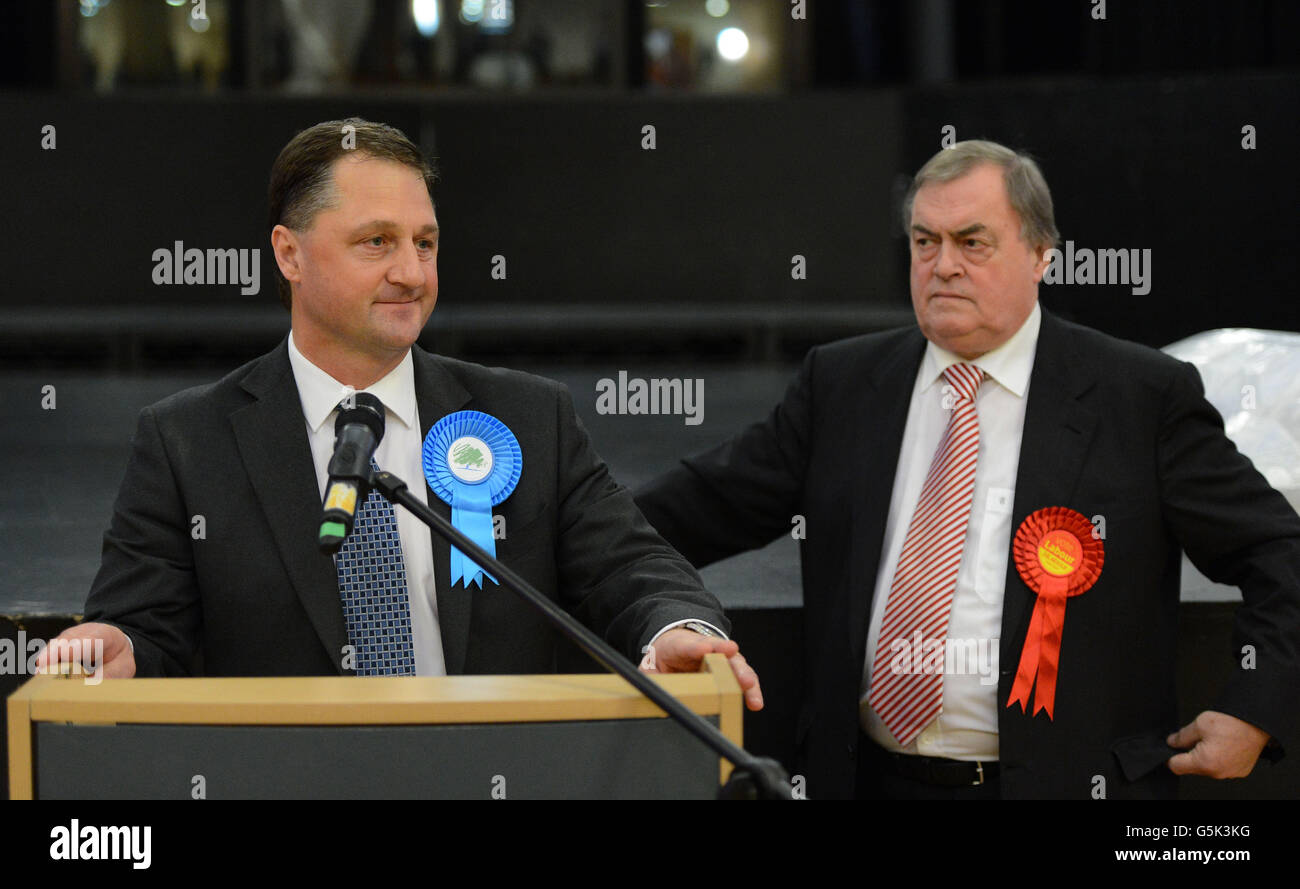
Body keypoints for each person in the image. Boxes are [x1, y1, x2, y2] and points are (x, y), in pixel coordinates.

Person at [635, 140, 1300, 799]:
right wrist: (560, 526)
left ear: (1043, 255)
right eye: (925, 242)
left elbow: (1278, 549)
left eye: (972, 242)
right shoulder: (842, 384)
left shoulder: (1139, 396)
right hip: (866, 779)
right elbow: (692, 509)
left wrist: (1257, 706)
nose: (942, 265)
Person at [40, 118, 762, 713]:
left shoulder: (528, 417)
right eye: (376, 242)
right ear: (289, 254)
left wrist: (677, 625)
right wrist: (122, 649)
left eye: (425, 242)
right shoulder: (184, 441)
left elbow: (630, 565)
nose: (412, 273)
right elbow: (146, 633)